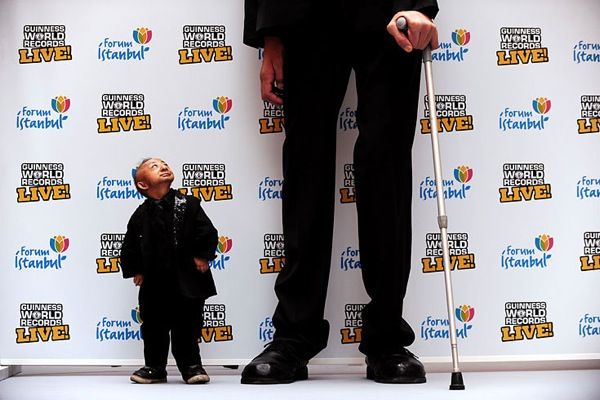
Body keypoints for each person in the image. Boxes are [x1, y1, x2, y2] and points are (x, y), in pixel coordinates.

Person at [242, 0, 439, 384]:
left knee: (387, 164)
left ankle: (386, 336)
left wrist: (419, 6)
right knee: (304, 165)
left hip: (391, 12)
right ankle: (294, 334)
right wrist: (272, 38)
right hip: (304, 15)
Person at [120, 158, 219, 384]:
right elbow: (131, 244)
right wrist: (136, 269)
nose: (163, 167)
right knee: (154, 325)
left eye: (164, 164)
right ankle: (154, 367)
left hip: (187, 278)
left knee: (188, 325)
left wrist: (202, 255)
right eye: (154, 167)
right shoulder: (140, 215)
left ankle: (191, 366)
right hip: (155, 282)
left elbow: (207, 230)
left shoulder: (189, 204)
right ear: (143, 185)